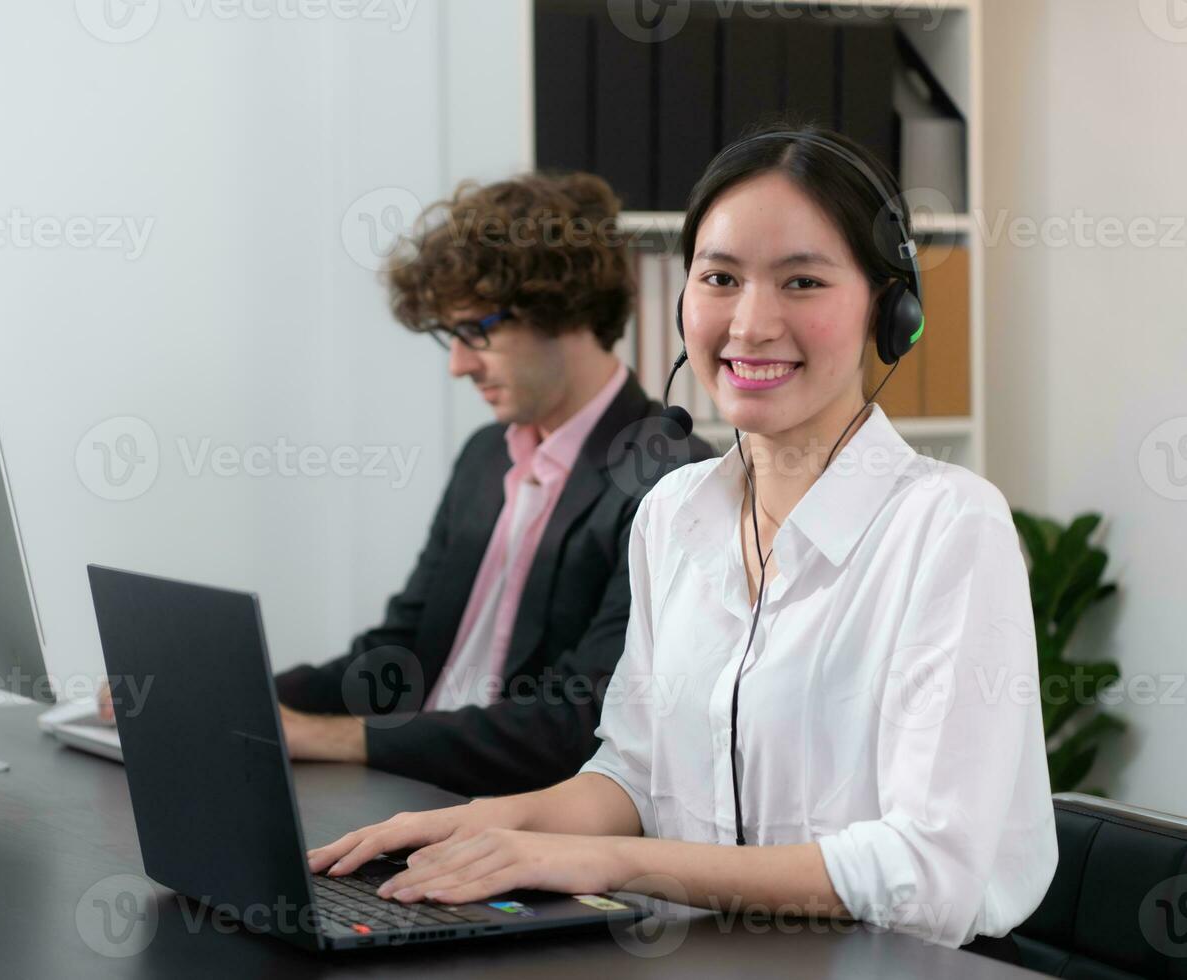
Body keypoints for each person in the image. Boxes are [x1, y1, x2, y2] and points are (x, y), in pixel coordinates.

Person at [304, 126, 1057, 957]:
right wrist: (477, 824)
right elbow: (634, 772)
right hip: (707, 955)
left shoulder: (950, 528)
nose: (751, 322)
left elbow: (927, 874)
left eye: (801, 280)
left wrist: (601, 860)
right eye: (720, 278)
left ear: (889, 308)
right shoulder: (673, 511)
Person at [102, 171, 711, 797]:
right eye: (453, 337)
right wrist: (231, 697)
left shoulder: (671, 476)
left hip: (516, 811)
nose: (458, 365)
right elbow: (403, 654)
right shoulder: (485, 457)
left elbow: (576, 725)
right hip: (411, 781)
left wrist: (320, 738)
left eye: (478, 333)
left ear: (570, 311)